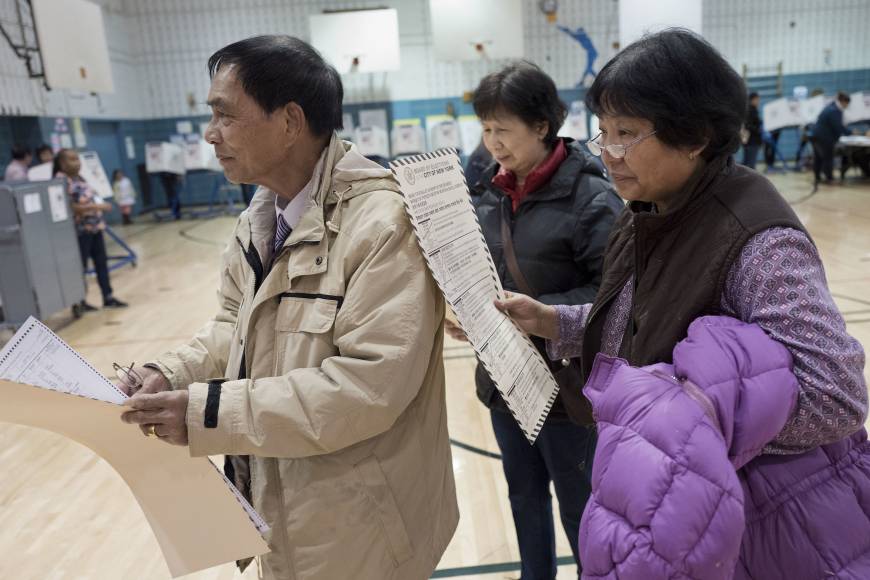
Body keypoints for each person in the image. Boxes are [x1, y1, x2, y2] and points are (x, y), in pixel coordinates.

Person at [496, 29, 868, 578]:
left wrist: (694, 415)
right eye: (602, 133)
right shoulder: (649, 207)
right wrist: (553, 320)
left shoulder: (755, 238)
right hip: (688, 507)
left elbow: (837, 395)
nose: (608, 154)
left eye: (626, 133)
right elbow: (640, 324)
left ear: (693, 136)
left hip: (762, 525)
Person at [116, 35, 458, 580]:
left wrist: (208, 415)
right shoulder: (259, 220)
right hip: (282, 508)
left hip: (364, 524)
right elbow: (237, 326)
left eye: (224, 115)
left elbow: (368, 387)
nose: (210, 135)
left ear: (291, 122)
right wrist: (169, 372)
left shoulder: (383, 226)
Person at [453, 61, 622, 579]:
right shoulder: (489, 192)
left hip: (565, 384)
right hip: (504, 377)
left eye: (503, 129)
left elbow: (615, 295)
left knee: (580, 506)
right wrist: (471, 310)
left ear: (542, 126)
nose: (492, 142)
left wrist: (543, 313)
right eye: (485, 129)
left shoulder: (592, 196)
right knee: (523, 496)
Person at [54, 149, 128, 310]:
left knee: (101, 263)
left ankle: (108, 296)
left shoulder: (78, 178)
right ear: (62, 163)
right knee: (80, 267)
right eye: (72, 159)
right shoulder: (60, 181)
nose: (77, 163)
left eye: (78, 159)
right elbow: (68, 206)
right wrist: (96, 206)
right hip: (79, 231)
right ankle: (79, 301)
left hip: (95, 227)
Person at [812, 91, 852, 184]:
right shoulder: (835, 110)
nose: (847, 106)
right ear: (843, 102)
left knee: (818, 158)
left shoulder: (830, 106)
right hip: (825, 137)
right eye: (847, 104)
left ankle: (817, 177)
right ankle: (829, 178)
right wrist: (850, 132)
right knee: (828, 157)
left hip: (816, 135)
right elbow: (838, 127)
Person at [741, 92, 762, 168]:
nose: (758, 102)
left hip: (750, 140)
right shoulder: (751, 110)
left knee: (747, 162)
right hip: (752, 140)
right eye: (757, 100)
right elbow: (748, 125)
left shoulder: (751, 109)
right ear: (752, 100)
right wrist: (758, 130)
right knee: (750, 163)